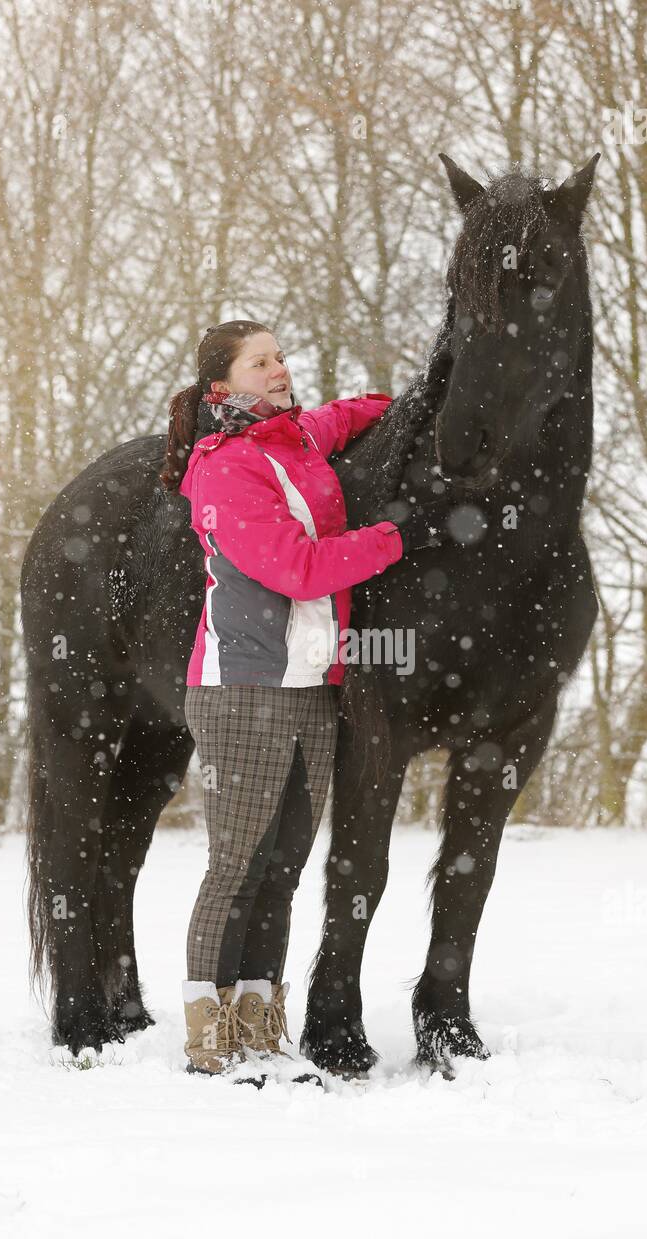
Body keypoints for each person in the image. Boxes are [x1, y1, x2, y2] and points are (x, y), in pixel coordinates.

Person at [162, 320, 451, 1084]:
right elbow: (296, 568)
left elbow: (347, 414)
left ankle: (258, 1032)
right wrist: (395, 537)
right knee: (236, 868)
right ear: (224, 387)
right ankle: (210, 1042)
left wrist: (417, 400)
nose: (280, 368)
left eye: (282, 355)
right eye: (262, 361)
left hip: (310, 688)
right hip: (241, 690)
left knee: (284, 866)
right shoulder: (226, 467)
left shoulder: (294, 441)